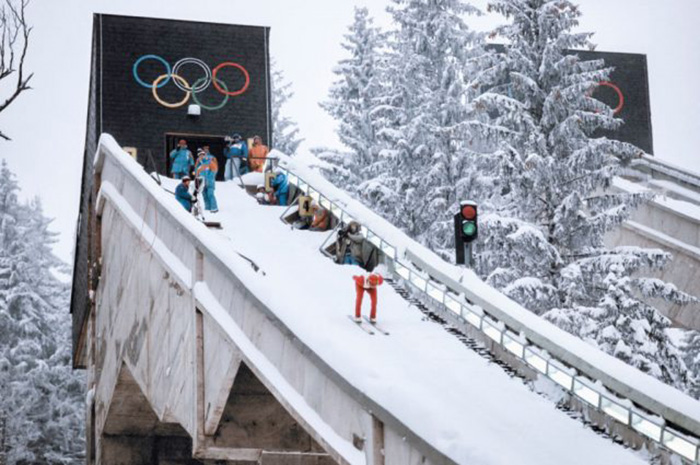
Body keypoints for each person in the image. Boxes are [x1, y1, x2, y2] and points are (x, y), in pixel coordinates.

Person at [195, 145, 219, 213]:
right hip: (202, 183)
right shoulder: (199, 166)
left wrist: (209, 179)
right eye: (200, 155)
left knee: (210, 194)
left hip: (210, 182)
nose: (201, 157)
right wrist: (198, 183)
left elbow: (214, 171)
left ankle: (214, 208)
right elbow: (197, 174)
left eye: (202, 155)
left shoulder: (210, 162)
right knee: (204, 195)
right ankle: (207, 208)